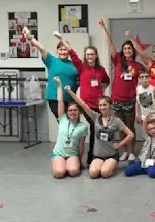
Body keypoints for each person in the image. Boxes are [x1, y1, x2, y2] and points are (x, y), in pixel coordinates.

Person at [56, 34, 110, 165]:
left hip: (99, 105)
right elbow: (72, 53)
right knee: (94, 127)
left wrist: (101, 91)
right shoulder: (81, 67)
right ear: (85, 56)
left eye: (92, 54)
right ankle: (91, 157)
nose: (90, 56)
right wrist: (61, 40)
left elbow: (106, 81)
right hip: (86, 105)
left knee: (100, 129)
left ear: (96, 56)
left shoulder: (101, 70)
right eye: (88, 54)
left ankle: (101, 154)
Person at [100, 19, 145, 162]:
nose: (127, 51)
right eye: (125, 49)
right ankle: (124, 151)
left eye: (129, 49)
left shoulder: (138, 66)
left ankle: (131, 152)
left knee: (129, 127)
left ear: (133, 51)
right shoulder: (118, 61)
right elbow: (110, 44)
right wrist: (103, 27)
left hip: (130, 100)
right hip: (116, 100)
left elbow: (146, 80)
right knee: (119, 127)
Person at [65, 88, 134, 179]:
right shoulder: (95, 117)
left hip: (111, 155)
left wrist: (119, 145)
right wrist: (70, 92)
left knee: (104, 173)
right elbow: (82, 104)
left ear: (110, 105)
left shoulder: (116, 121)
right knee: (93, 174)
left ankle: (110, 165)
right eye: (100, 105)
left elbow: (130, 134)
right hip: (98, 155)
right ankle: (103, 164)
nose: (102, 107)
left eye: (104, 105)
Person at [125, 31, 155, 140]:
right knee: (150, 124)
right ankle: (152, 145)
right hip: (149, 96)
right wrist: (131, 37)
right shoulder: (149, 63)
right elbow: (139, 50)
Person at [25, 28, 78, 119]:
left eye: (65, 49)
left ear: (69, 51)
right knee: (63, 123)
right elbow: (41, 48)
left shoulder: (74, 64)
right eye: (61, 49)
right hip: (55, 98)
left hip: (71, 99)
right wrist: (30, 38)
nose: (63, 52)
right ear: (57, 51)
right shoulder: (52, 60)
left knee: (72, 124)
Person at [50, 77, 88, 179]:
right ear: (67, 112)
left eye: (75, 110)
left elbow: (81, 145)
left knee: (74, 171)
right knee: (59, 173)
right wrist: (59, 85)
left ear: (79, 112)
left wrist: (79, 160)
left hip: (72, 154)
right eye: (70, 110)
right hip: (59, 153)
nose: (72, 112)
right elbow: (60, 101)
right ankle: (58, 163)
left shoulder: (83, 127)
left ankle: (68, 164)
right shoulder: (62, 120)